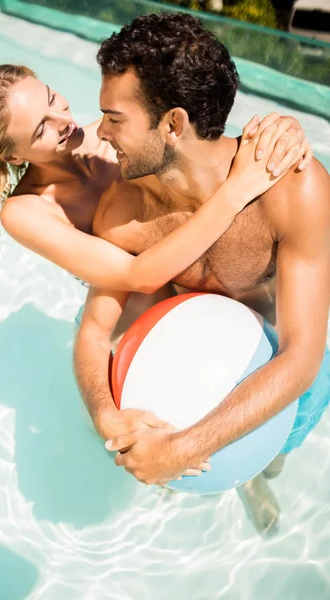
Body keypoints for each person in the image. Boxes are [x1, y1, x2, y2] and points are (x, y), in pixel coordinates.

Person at [73, 13, 330, 535]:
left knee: (274, 454)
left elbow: (301, 356)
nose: (99, 132)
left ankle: (257, 475)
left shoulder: (290, 189)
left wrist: (184, 450)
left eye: (114, 117)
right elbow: (96, 332)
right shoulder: (123, 215)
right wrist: (106, 415)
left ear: (173, 123)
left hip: (283, 366)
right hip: (192, 363)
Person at [0, 64, 309, 299]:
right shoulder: (26, 211)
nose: (62, 118)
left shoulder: (118, 138)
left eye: (50, 98)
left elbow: (204, 151)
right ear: (13, 157)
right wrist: (235, 193)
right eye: (41, 128)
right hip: (133, 301)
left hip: (203, 273)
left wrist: (279, 137)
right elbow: (138, 276)